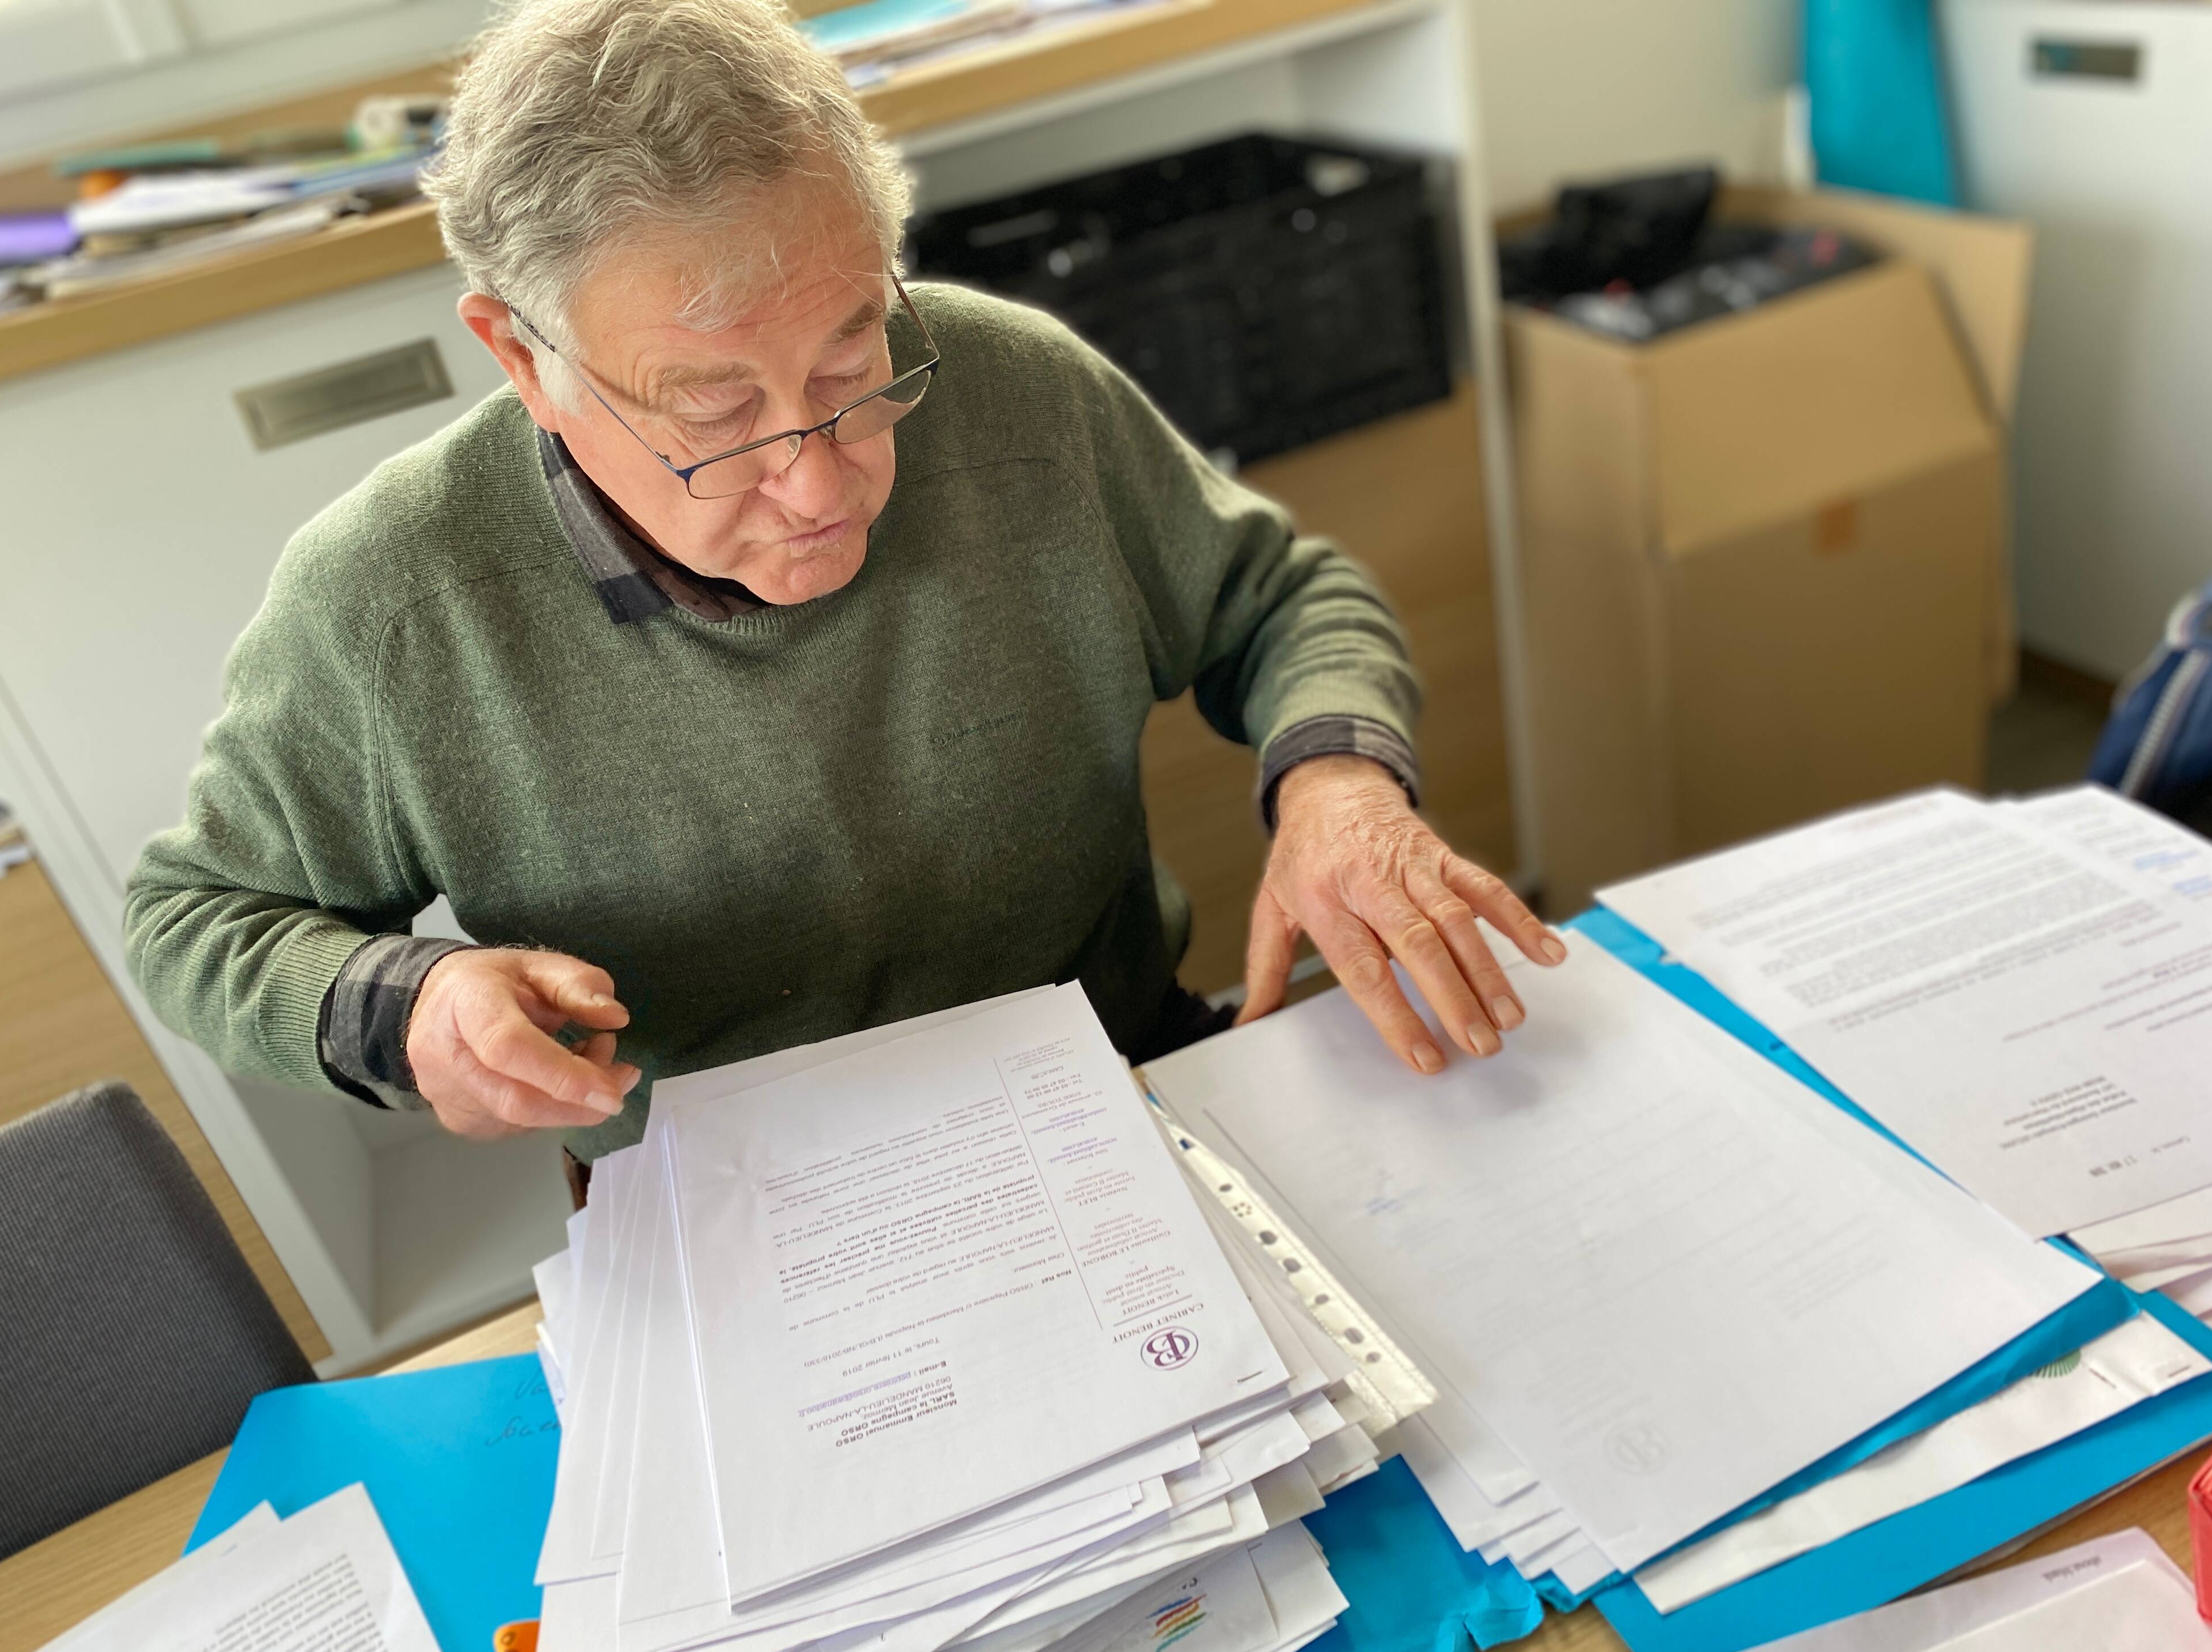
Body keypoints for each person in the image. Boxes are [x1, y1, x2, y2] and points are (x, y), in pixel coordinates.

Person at [123, 0, 1566, 1179]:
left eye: (847, 369)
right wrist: (413, 1002)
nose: (821, 484)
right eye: (712, 414)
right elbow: (196, 919)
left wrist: (1338, 789)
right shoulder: (393, 600)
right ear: (521, 359)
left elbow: (1282, 596)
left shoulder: (1014, 388)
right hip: (742, 1215)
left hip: (1128, 1094)